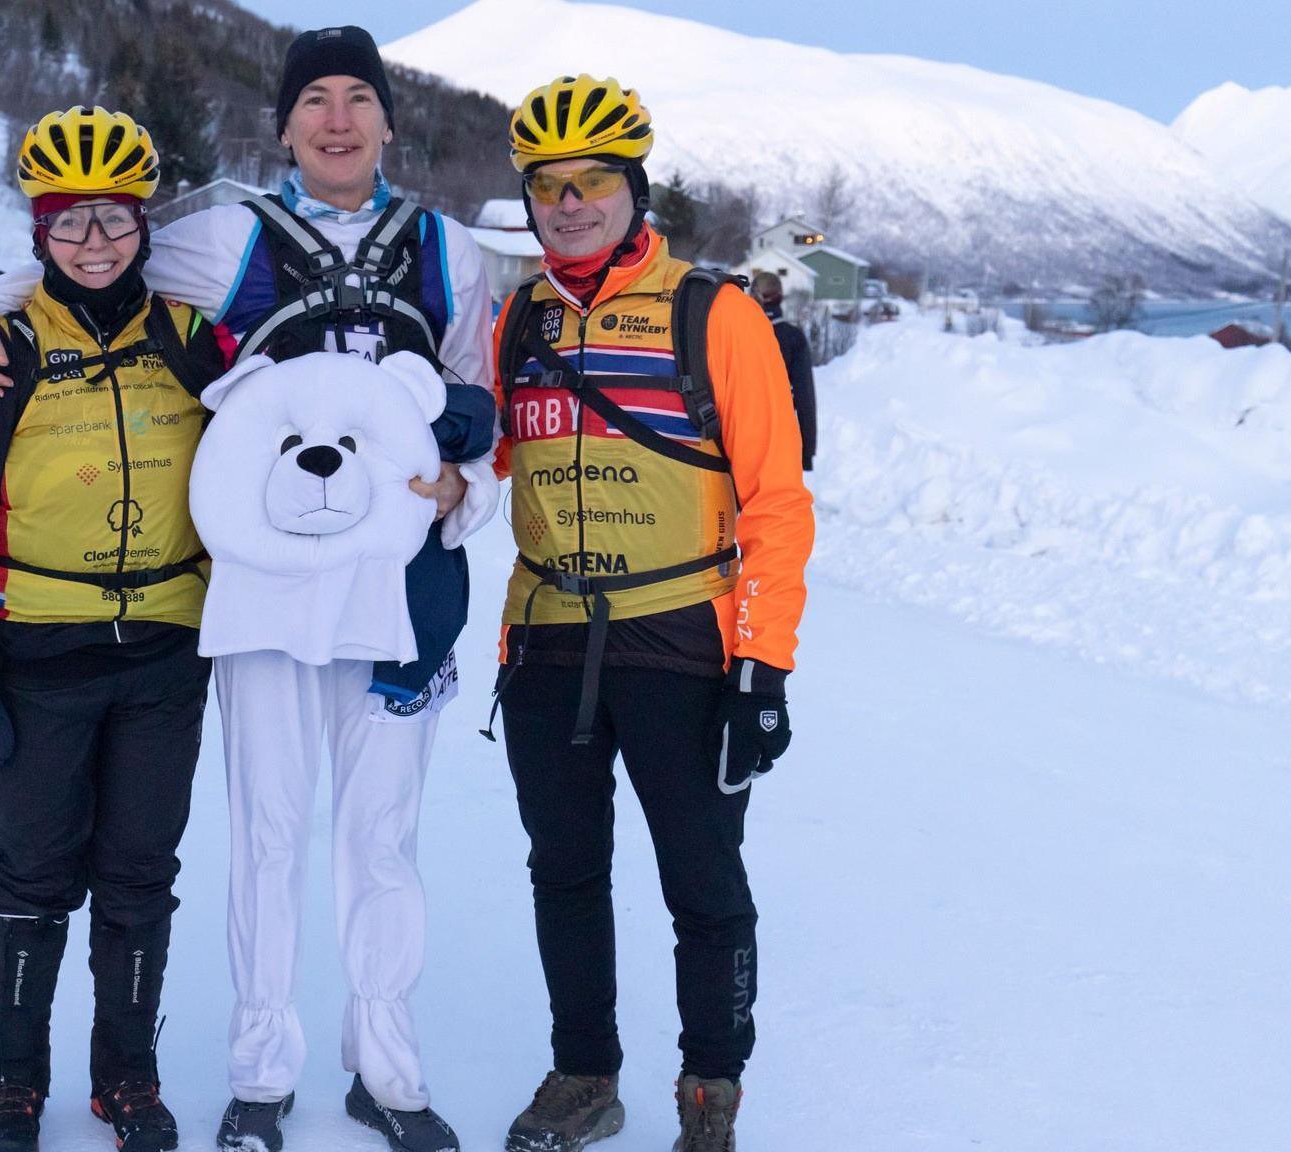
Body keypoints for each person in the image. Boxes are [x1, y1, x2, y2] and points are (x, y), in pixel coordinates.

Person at [0, 27, 498, 1152]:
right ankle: (261, 1073)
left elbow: (470, 393)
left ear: (384, 119)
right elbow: (78, 260)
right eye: (310, 98)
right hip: (265, 592)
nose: (334, 118)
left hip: (401, 587)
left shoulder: (448, 250)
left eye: (355, 99)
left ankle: (389, 1070)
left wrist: (464, 480)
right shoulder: (223, 234)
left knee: (382, 841)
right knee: (267, 833)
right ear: (279, 126)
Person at [485, 76, 814, 1152]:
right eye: (547, 185)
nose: (567, 204)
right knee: (563, 873)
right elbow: (490, 463)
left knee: (702, 881)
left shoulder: (710, 313)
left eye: (590, 183)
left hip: (681, 637)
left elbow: (773, 498)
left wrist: (762, 666)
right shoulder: (518, 319)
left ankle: (707, 1095)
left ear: (633, 188)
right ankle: (584, 1076)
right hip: (544, 639)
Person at [0, 105, 227, 1152]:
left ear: (142, 221)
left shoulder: (190, 337)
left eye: (113, 218)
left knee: (139, 873)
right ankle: (12, 1076)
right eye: (67, 221)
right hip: (37, 644)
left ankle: (125, 1076)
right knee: (36, 873)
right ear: (38, 230)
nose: (93, 241)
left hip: (167, 649)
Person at [750, 272, 817, 471]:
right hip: (778, 439)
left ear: (755, 296)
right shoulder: (793, 337)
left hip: (736, 436)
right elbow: (805, 397)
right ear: (780, 296)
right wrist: (806, 450)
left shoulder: (739, 331)